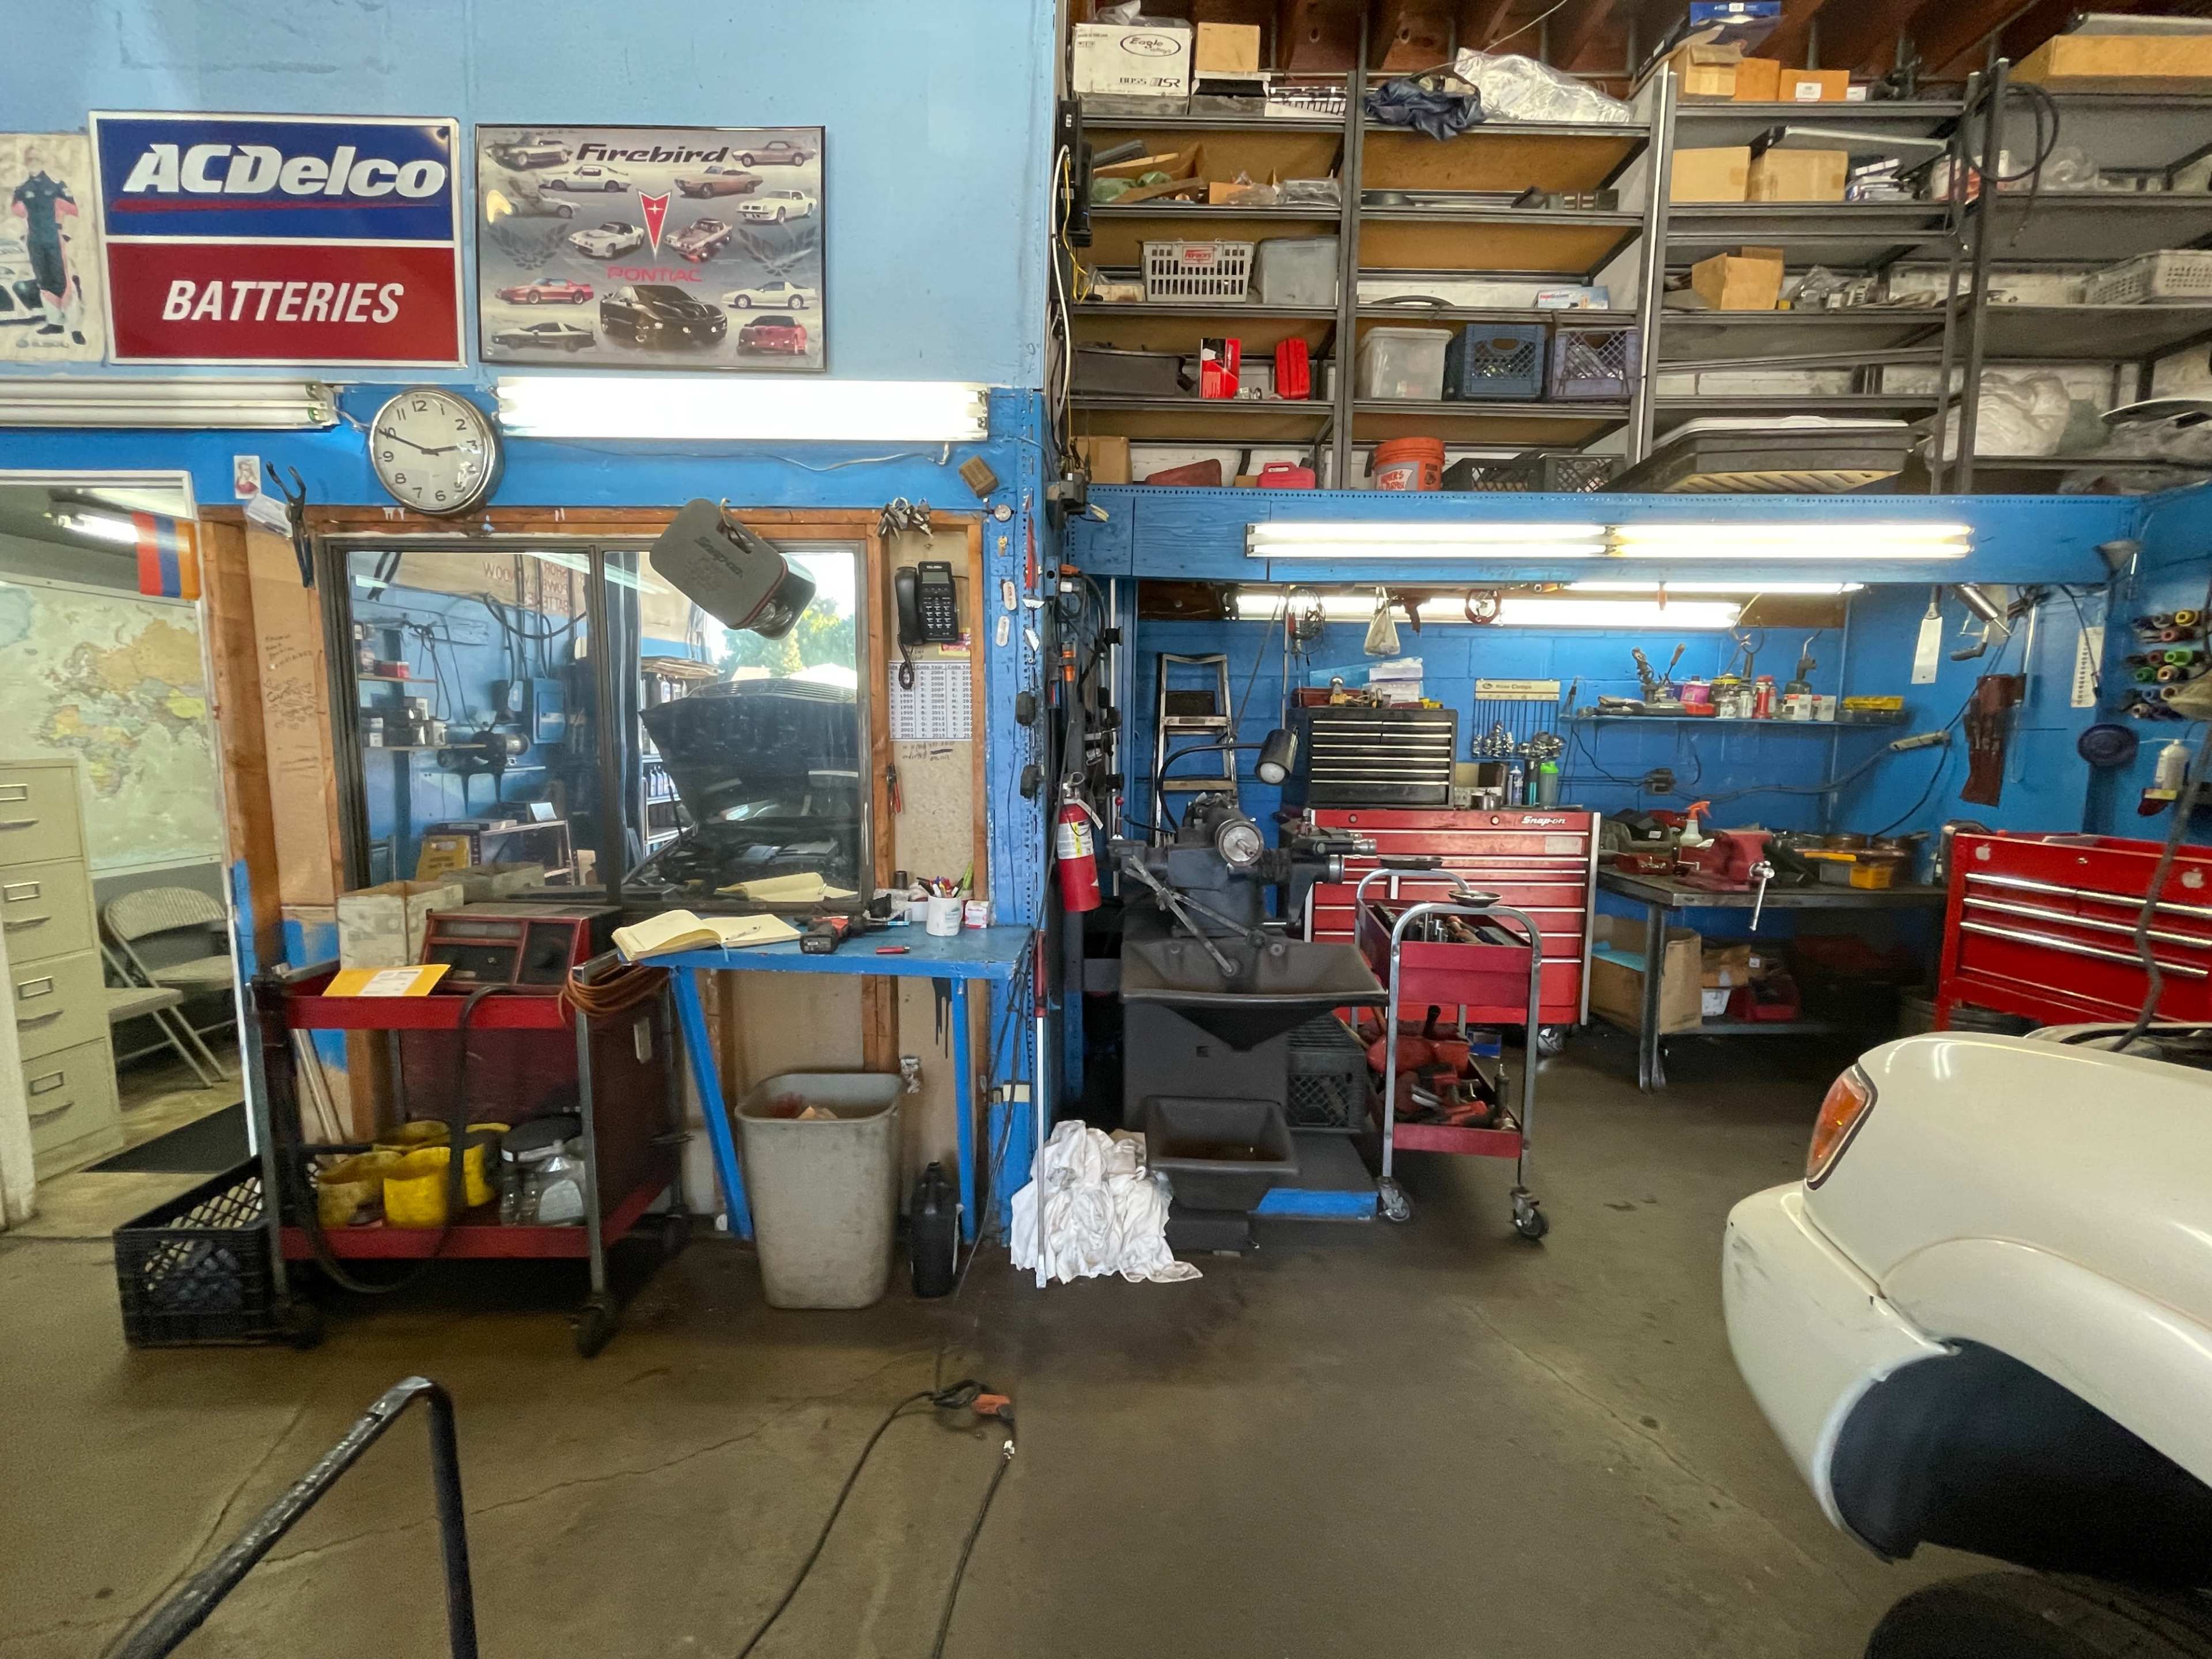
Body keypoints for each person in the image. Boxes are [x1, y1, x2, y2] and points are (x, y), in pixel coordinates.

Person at [10, 143, 86, 344]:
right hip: (35, 241)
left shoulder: (56, 185)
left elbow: (75, 211)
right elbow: (16, 215)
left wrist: (65, 232)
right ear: (26, 162)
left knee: (64, 283)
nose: (33, 163)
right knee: (44, 282)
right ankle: (55, 323)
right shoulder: (22, 189)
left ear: (43, 161)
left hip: (55, 238)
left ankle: (75, 328)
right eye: (30, 160)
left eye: (37, 159)